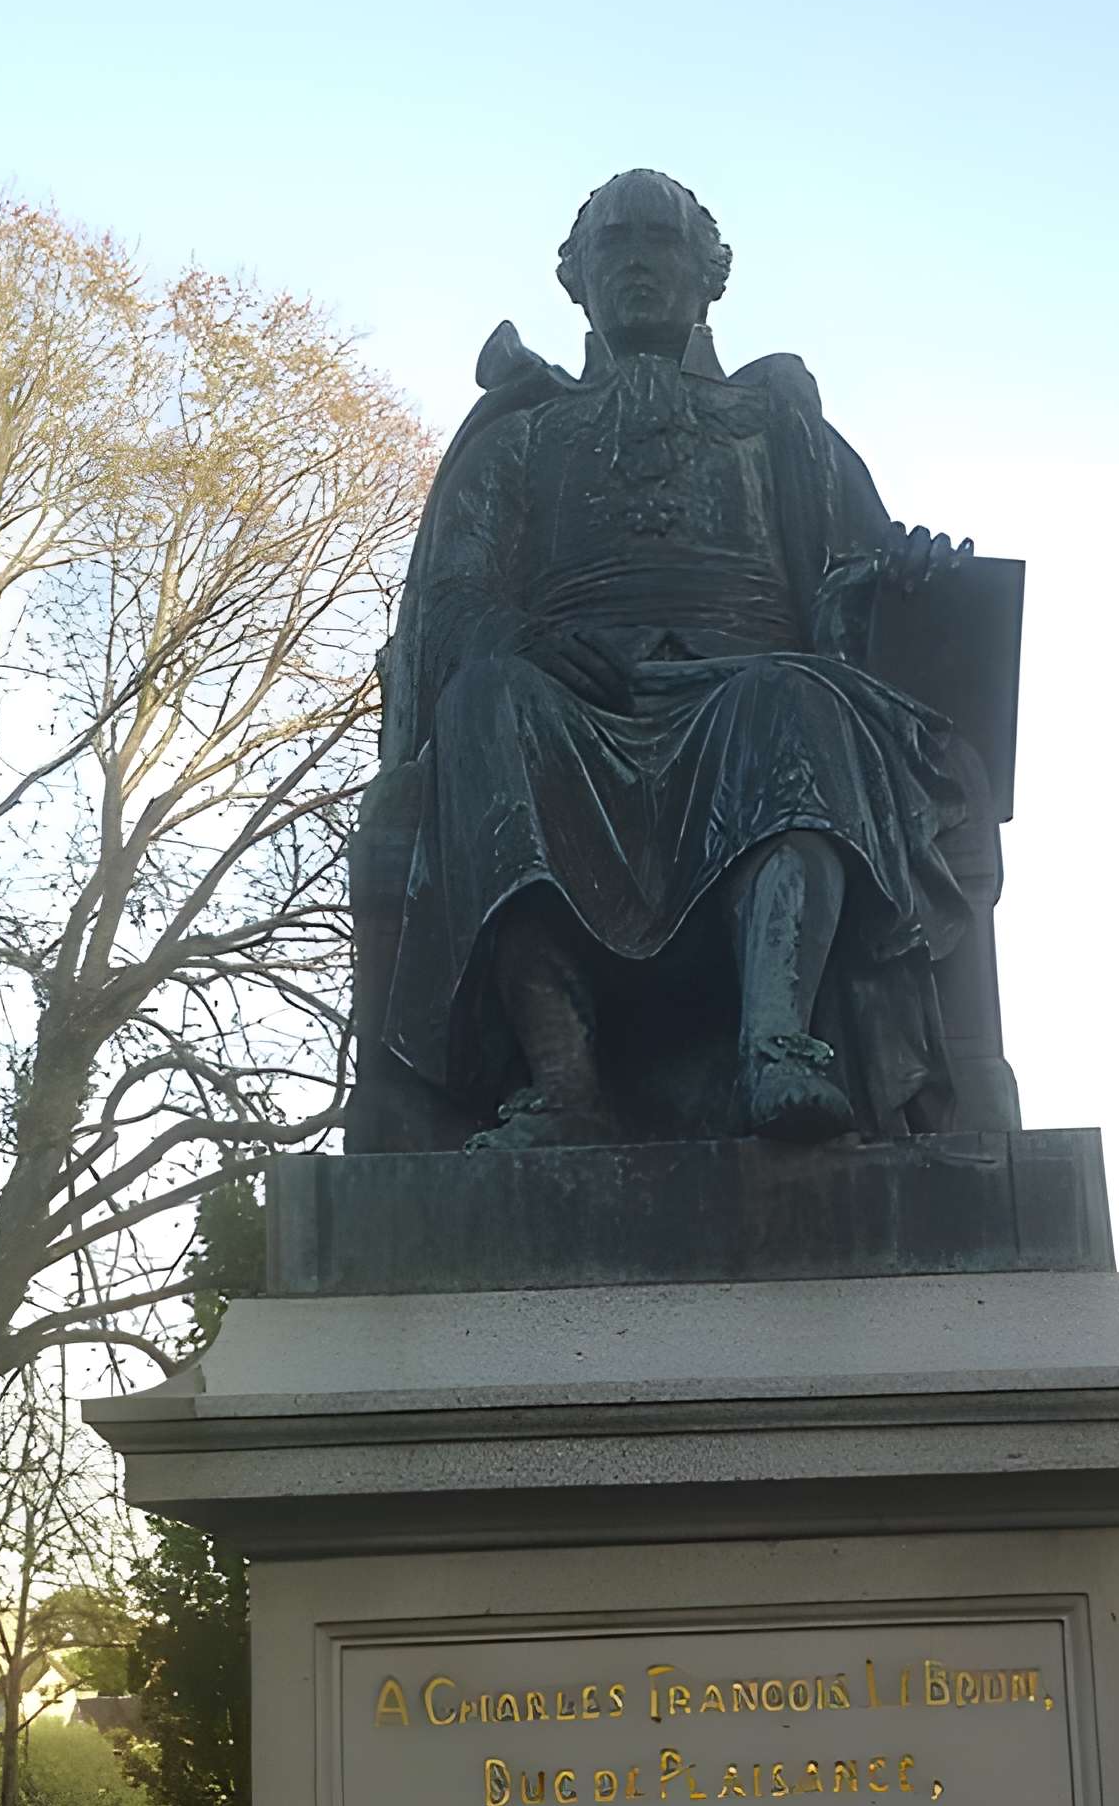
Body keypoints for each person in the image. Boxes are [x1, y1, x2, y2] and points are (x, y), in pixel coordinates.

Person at [355, 169, 977, 1151]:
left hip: (746, 694)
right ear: (578, 279)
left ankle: (776, 1045)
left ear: (706, 276)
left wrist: (900, 573)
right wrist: (524, 647)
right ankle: (564, 1081)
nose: (637, 261)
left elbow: (850, 571)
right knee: (484, 706)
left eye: (660, 241)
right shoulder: (521, 435)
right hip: (571, 701)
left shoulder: (780, 427)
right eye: (614, 245)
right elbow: (457, 595)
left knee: (796, 704)